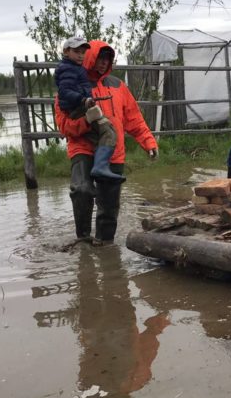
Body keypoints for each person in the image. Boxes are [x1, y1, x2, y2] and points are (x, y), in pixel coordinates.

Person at [55, 40, 159, 245]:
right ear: (91, 56)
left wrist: (148, 142)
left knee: (109, 205)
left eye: (108, 59)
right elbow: (65, 127)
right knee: (82, 191)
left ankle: (106, 246)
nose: (103, 63)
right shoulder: (71, 86)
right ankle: (83, 239)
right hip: (83, 148)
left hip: (114, 151)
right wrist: (87, 122)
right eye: (100, 58)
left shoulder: (118, 86)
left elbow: (134, 119)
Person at [54, 36, 124, 182]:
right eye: (76, 51)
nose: (80, 55)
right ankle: (100, 167)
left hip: (81, 107)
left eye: (83, 52)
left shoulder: (75, 68)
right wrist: (83, 100)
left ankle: (100, 167)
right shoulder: (68, 69)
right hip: (78, 109)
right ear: (66, 52)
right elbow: (64, 92)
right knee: (108, 131)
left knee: (103, 133)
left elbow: (133, 117)